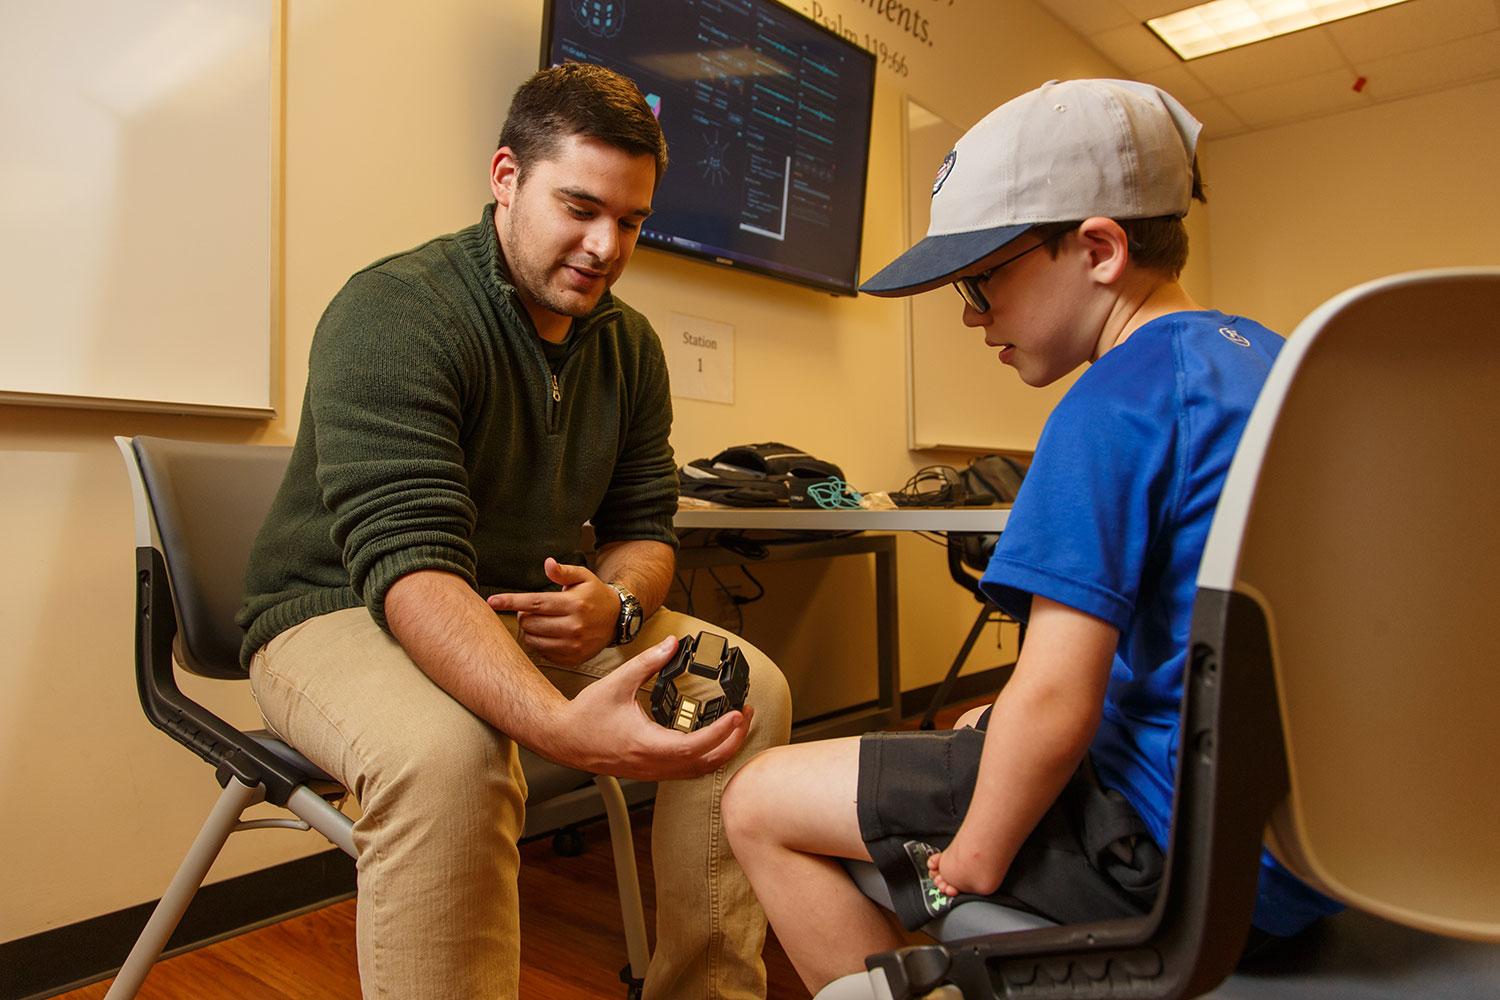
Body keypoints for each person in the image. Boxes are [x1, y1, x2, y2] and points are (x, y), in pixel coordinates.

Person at [721, 78, 1340, 994]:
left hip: (1168, 860)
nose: (972, 315)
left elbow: (1055, 704)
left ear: (1097, 248)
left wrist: (972, 857)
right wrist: (1004, 720)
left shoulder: (1109, 405)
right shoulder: (1274, 362)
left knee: (756, 800)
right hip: (1303, 851)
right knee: (986, 721)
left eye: (982, 279)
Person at [237, 63, 791, 1000]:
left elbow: (644, 527)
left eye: (631, 220)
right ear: (506, 177)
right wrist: (561, 728)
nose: (605, 244)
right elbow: (410, 569)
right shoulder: (396, 311)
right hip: (337, 607)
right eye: (579, 206)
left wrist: (616, 605)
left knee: (749, 693)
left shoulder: (629, 346)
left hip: (513, 608)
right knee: (454, 757)